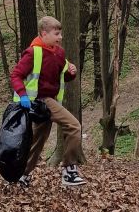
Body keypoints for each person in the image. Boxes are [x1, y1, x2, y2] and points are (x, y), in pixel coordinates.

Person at [9, 15, 85, 189]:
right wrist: (23, 95)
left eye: (60, 33)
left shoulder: (59, 53)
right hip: (39, 102)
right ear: (44, 34)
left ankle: (21, 175)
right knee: (74, 126)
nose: (60, 37)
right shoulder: (33, 52)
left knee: (37, 142)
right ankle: (69, 171)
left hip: (49, 102)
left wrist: (71, 72)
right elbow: (16, 75)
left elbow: (62, 76)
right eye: (56, 34)